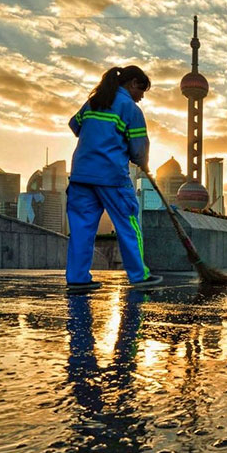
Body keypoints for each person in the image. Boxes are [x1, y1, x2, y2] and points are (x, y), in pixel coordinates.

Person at [66, 65, 162, 292]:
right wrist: (143, 163)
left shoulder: (93, 102)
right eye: (142, 91)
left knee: (81, 229)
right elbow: (138, 150)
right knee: (128, 224)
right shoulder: (130, 109)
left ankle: (77, 279)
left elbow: (74, 125)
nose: (141, 98)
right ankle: (139, 275)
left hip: (81, 175)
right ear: (132, 84)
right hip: (112, 176)